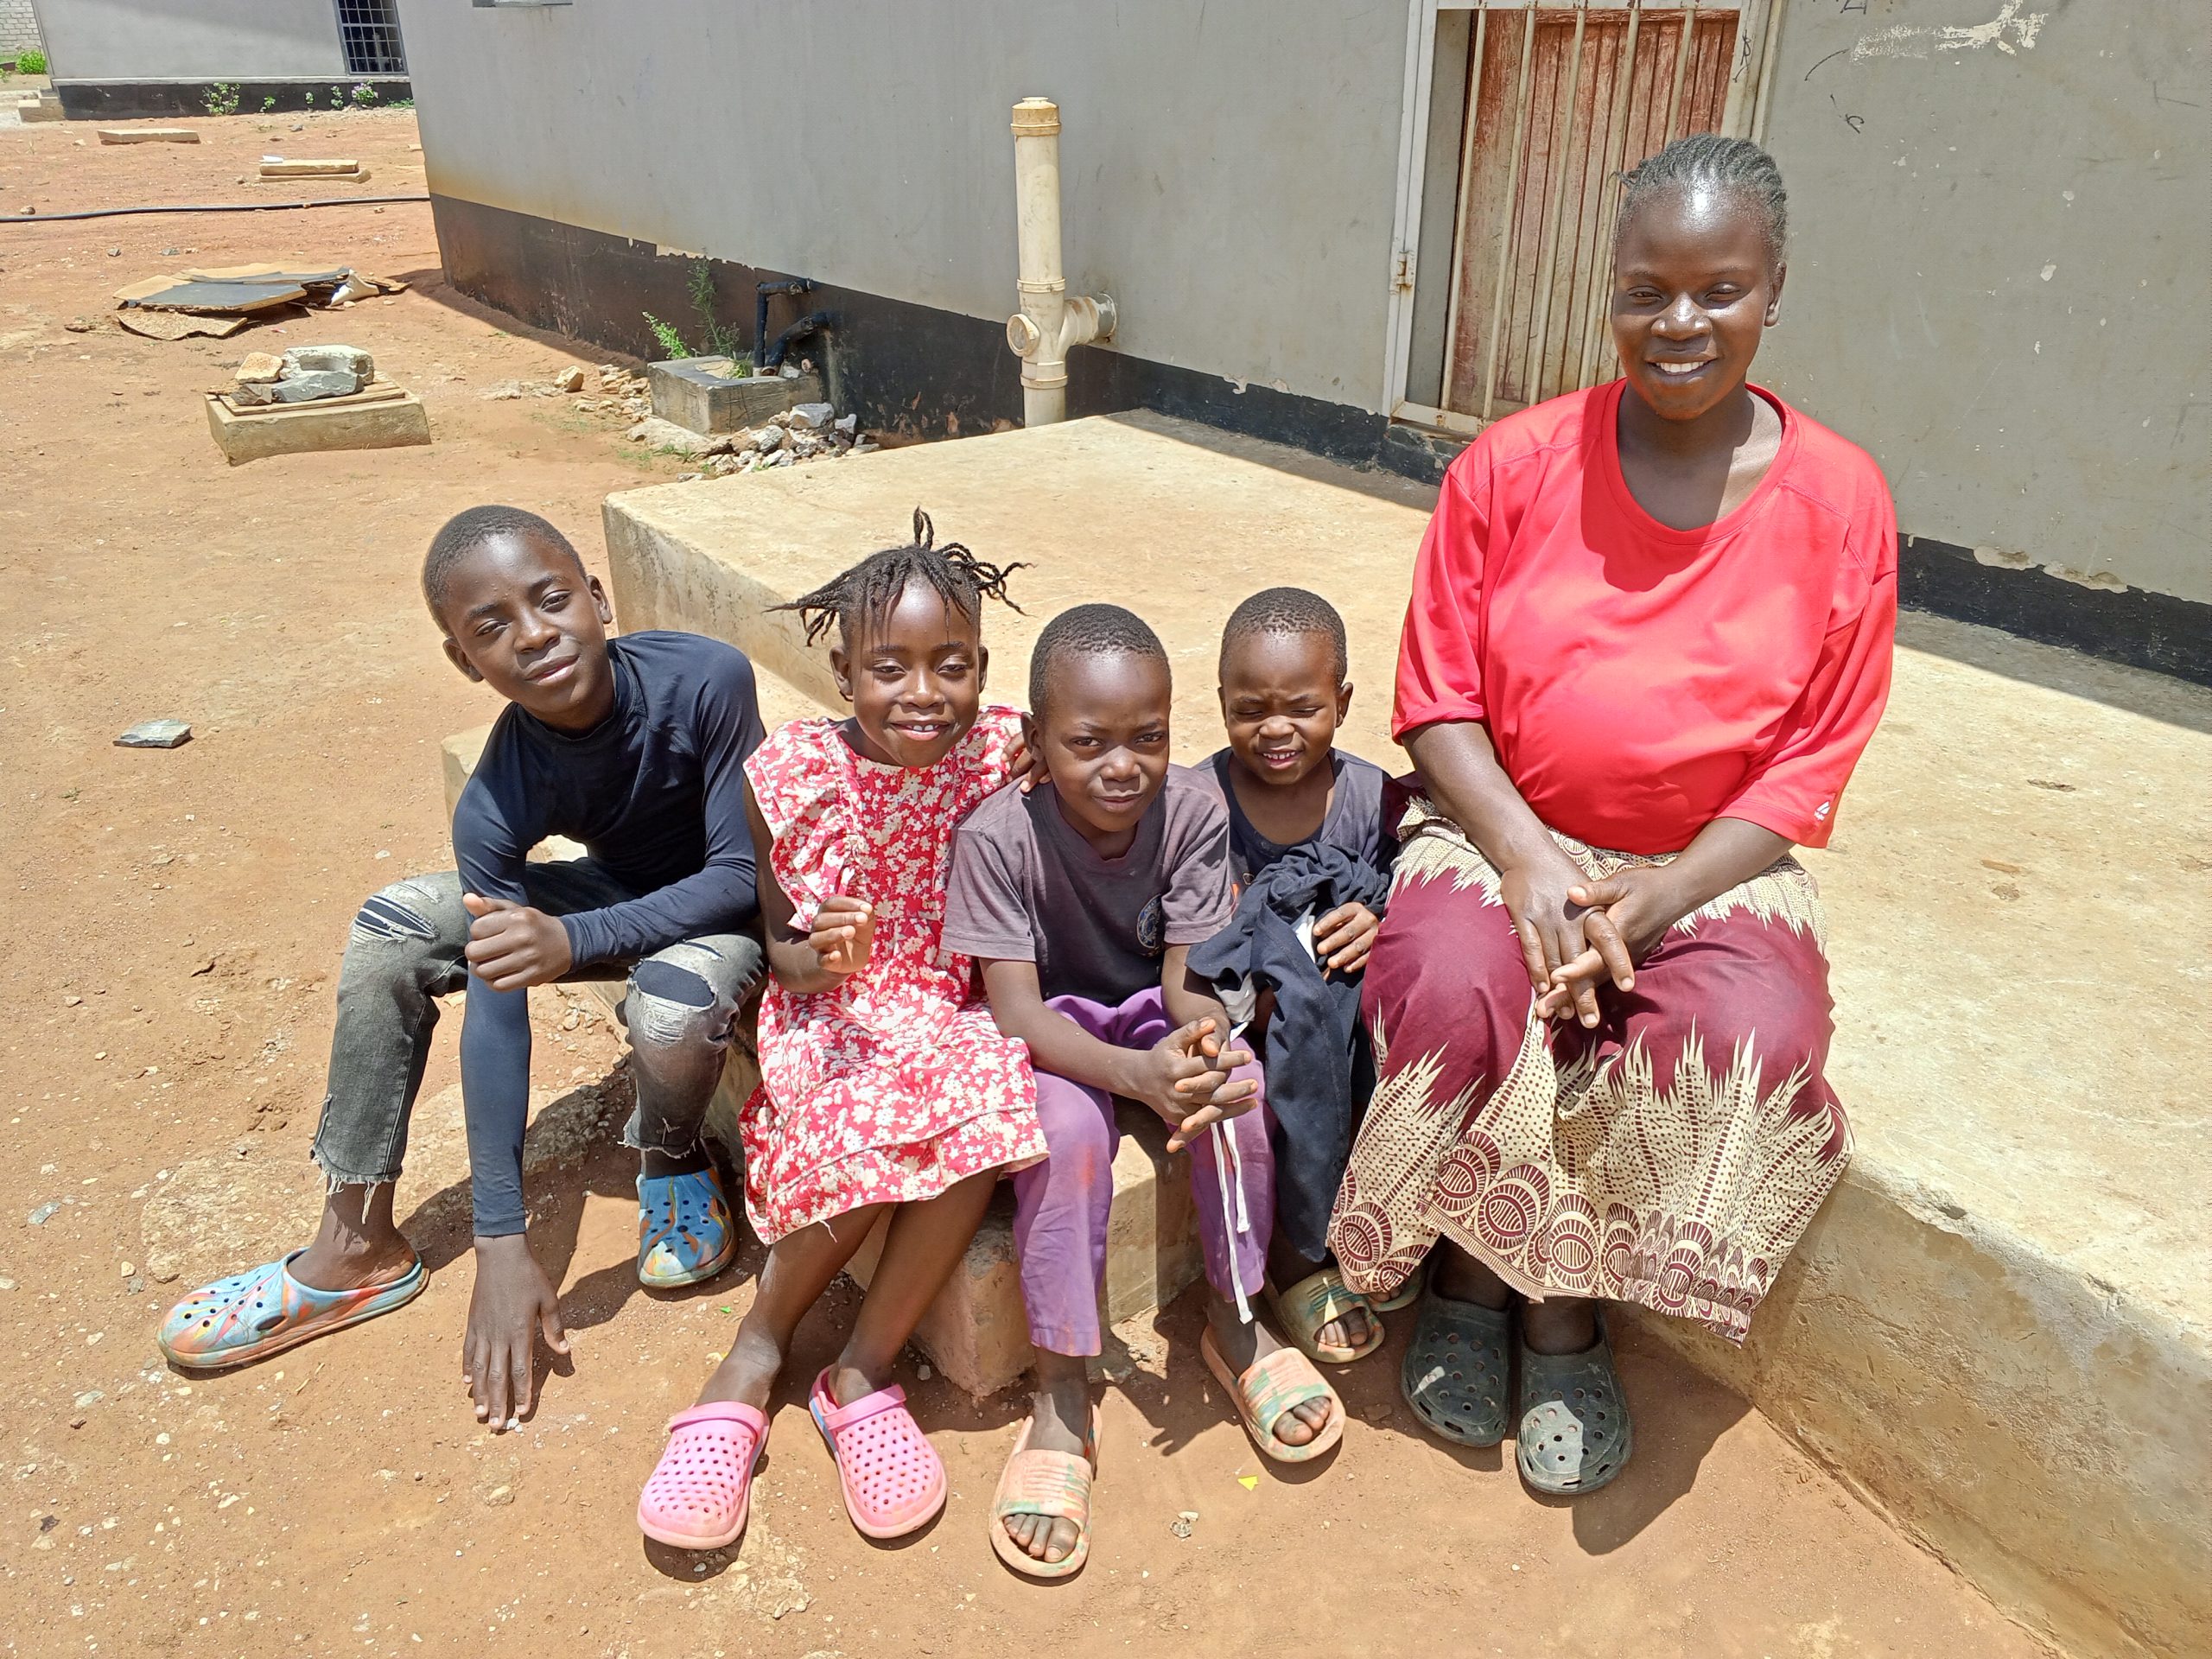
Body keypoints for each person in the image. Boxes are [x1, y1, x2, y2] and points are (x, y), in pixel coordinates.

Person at [1330, 134, 1897, 1497]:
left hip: (1709, 866)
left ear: (1773, 292)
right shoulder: (1511, 467)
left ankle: (1563, 1304)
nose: (1680, 321)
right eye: (1648, 290)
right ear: (1611, 293)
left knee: (1747, 1033)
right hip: (1501, 829)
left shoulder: (1843, 500)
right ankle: (1468, 1274)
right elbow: (1437, 699)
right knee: (1453, 977)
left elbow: (1810, 759)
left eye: (1720, 289)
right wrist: (1529, 864)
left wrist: (1658, 898)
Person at [160, 507, 769, 1435]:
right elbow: (497, 1003)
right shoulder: (496, 794)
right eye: (491, 627)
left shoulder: (704, 677)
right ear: (464, 660)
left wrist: (577, 937)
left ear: (597, 599)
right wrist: (500, 1240)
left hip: (719, 914)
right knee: (397, 927)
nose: (534, 635)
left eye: (552, 600)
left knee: (674, 1003)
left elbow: (738, 876)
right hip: (607, 897)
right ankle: (356, 1240)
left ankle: (672, 1155)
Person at [636, 512, 1046, 1553]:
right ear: (841, 671)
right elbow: (782, 951)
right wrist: (827, 956)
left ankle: (859, 1371)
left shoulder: (1002, 748)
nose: (923, 692)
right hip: (839, 1011)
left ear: (981, 666)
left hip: (947, 1005)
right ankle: (754, 1350)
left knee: (989, 1099)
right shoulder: (794, 775)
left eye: (951, 664)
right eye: (888, 668)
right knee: (860, 1118)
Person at [944, 603, 1344, 1581]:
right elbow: (1015, 1013)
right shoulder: (997, 837)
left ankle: (1234, 1317)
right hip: (1053, 1035)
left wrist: (1199, 1043)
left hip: (1150, 1010)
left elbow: (1186, 977)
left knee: (1232, 1090)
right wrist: (1131, 1076)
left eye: (1148, 738)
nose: (1122, 766)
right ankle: (1062, 1389)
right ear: (1037, 740)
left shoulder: (1194, 810)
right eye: (1087, 742)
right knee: (1068, 1142)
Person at [1187, 588, 1395, 1364]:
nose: (1275, 729)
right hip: (1246, 1017)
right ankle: (1296, 1257)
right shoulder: (1198, 802)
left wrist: (1378, 920)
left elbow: (1412, 881)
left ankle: (1370, 1223)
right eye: (1250, 710)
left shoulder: (1372, 798)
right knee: (1273, 1065)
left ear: (1342, 702)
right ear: (1221, 703)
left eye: (1303, 708)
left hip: (1342, 1013)